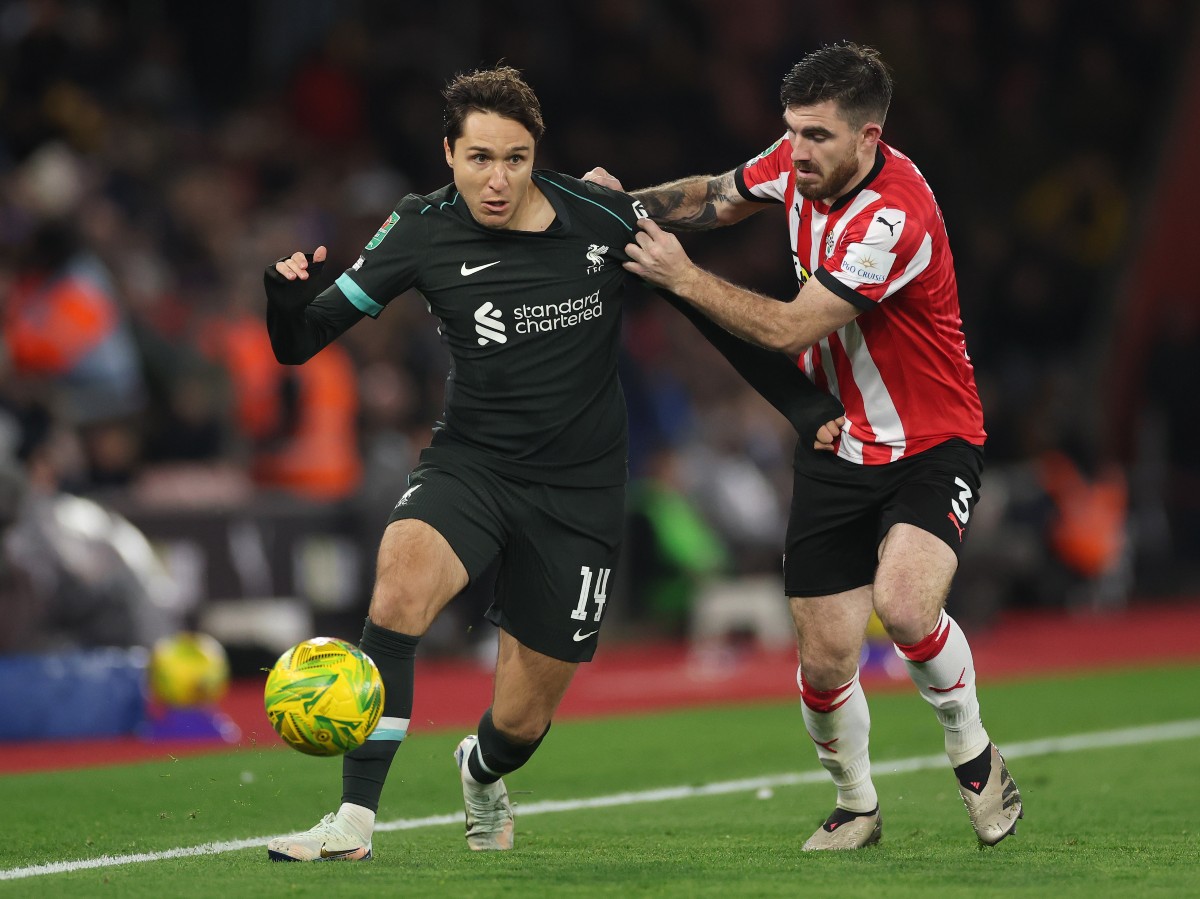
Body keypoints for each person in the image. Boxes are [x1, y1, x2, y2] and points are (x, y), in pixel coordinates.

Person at [262, 65, 843, 861]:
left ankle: (483, 769)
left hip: (579, 493)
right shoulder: (421, 228)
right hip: (471, 465)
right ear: (448, 155)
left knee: (520, 725)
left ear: (538, 156)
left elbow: (702, 311)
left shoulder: (601, 220)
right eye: (478, 159)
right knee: (398, 583)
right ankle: (354, 822)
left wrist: (807, 409)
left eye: (514, 158)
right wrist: (285, 304)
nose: (496, 179)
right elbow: (302, 341)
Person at [586, 42, 1022, 849]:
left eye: (818, 135)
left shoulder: (893, 214)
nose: (799, 151)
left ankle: (974, 754)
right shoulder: (794, 163)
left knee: (903, 604)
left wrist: (681, 277)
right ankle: (857, 805)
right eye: (792, 131)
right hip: (834, 441)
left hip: (932, 439)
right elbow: (717, 197)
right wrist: (617, 206)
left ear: (868, 136)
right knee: (824, 661)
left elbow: (790, 326)